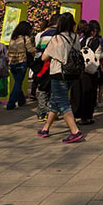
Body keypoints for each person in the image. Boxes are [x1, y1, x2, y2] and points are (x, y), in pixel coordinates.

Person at [37, 13, 85, 143]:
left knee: (62, 102)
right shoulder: (75, 37)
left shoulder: (57, 38)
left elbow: (44, 57)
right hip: (72, 73)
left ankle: (75, 131)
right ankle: (45, 128)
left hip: (59, 73)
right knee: (55, 101)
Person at [71, 22, 99, 126]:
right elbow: (98, 56)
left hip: (79, 71)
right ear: (93, 32)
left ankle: (74, 115)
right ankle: (86, 117)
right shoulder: (95, 41)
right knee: (89, 94)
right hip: (90, 72)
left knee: (78, 94)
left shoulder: (79, 41)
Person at [7, 21, 36, 110]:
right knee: (18, 83)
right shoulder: (25, 38)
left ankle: (21, 100)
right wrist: (37, 49)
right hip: (21, 62)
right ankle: (10, 103)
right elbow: (30, 50)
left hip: (12, 63)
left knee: (17, 82)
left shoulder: (13, 38)